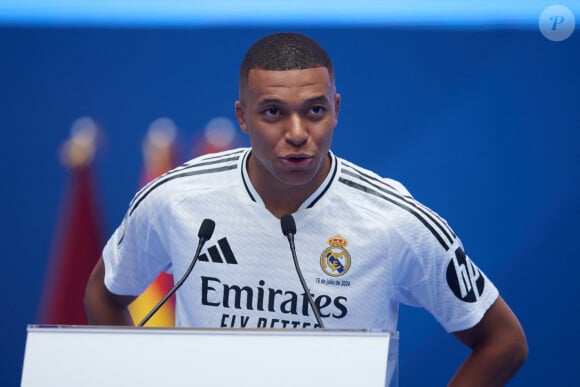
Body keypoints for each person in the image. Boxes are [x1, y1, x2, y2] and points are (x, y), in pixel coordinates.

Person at [85, 32, 527, 385]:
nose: (297, 133)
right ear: (242, 116)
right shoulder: (175, 199)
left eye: (314, 110)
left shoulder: (395, 222)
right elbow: (105, 295)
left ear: (336, 109)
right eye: (273, 112)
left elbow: (502, 341)